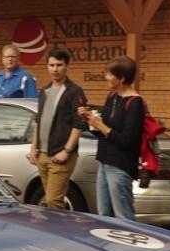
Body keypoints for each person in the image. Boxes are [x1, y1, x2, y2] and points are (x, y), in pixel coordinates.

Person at [78, 56, 143, 221]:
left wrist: (101, 126)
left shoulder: (135, 103)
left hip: (120, 165)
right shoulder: (112, 96)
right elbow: (102, 129)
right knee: (104, 215)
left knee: (124, 216)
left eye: (109, 74)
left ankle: (130, 244)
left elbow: (128, 140)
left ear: (121, 78)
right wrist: (89, 120)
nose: (106, 77)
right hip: (104, 160)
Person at [28, 48, 87, 209]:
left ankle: (60, 231)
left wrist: (66, 151)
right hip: (43, 155)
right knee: (51, 201)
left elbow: (79, 124)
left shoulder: (74, 91)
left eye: (59, 65)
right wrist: (33, 148)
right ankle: (57, 230)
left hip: (61, 155)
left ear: (66, 66)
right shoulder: (44, 91)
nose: (55, 69)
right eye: (51, 65)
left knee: (54, 201)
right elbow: (38, 120)